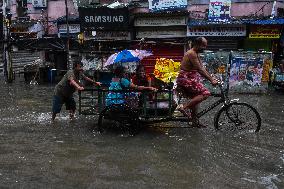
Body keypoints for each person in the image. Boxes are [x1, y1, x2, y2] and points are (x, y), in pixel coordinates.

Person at [176, 37, 218, 127]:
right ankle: (183, 107)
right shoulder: (191, 53)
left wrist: (212, 77)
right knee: (206, 93)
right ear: (198, 45)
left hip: (190, 79)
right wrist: (211, 80)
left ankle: (195, 122)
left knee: (196, 101)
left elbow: (202, 68)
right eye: (204, 46)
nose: (205, 48)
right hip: (186, 79)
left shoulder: (196, 53)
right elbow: (200, 70)